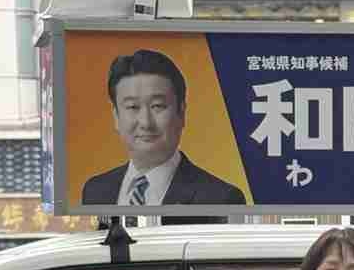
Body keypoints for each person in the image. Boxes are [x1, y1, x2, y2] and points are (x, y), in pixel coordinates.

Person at [81, 50, 247, 209]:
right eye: (132, 107)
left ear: (181, 112)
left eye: (157, 106)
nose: (146, 122)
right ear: (116, 116)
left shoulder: (221, 199)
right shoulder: (95, 191)